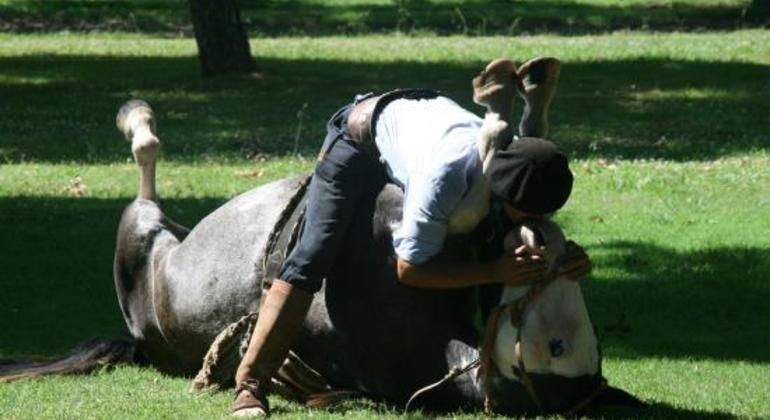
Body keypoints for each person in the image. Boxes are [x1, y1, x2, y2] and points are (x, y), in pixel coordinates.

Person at [231, 57, 591, 417]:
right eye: (527, 214)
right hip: (358, 135)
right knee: (312, 254)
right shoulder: (443, 180)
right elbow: (409, 269)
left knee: (497, 233)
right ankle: (250, 383)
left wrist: (564, 259)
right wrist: (495, 271)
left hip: (426, 120)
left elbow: (526, 230)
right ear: (502, 193)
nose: (535, 221)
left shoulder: (519, 163)